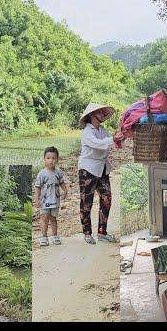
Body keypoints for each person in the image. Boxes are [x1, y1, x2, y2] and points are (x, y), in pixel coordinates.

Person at [77, 102, 123, 244]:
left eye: (104, 111)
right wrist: (113, 139)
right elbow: (98, 144)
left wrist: (122, 136)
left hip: (102, 168)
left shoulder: (103, 130)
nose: (103, 114)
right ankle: (87, 233)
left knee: (107, 198)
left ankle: (102, 232)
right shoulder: (87, 132)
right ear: (91, 115)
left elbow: (111, 142)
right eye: (99, 111)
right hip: (88, 169)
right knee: (86, 202)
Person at [34, 146, 68, 247]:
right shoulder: (42, 174)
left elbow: (62, 183)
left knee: (53, 218)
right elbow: (37, 187)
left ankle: (54, 235)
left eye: (53, 158)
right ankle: (44, 237)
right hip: (44, 201)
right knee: (44, 218)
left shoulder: (58, 172)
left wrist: (65, 191)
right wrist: (36, 199)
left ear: (57, 159)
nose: (51, 161)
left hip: (55, 200)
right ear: (44, 159)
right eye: (48, 158)